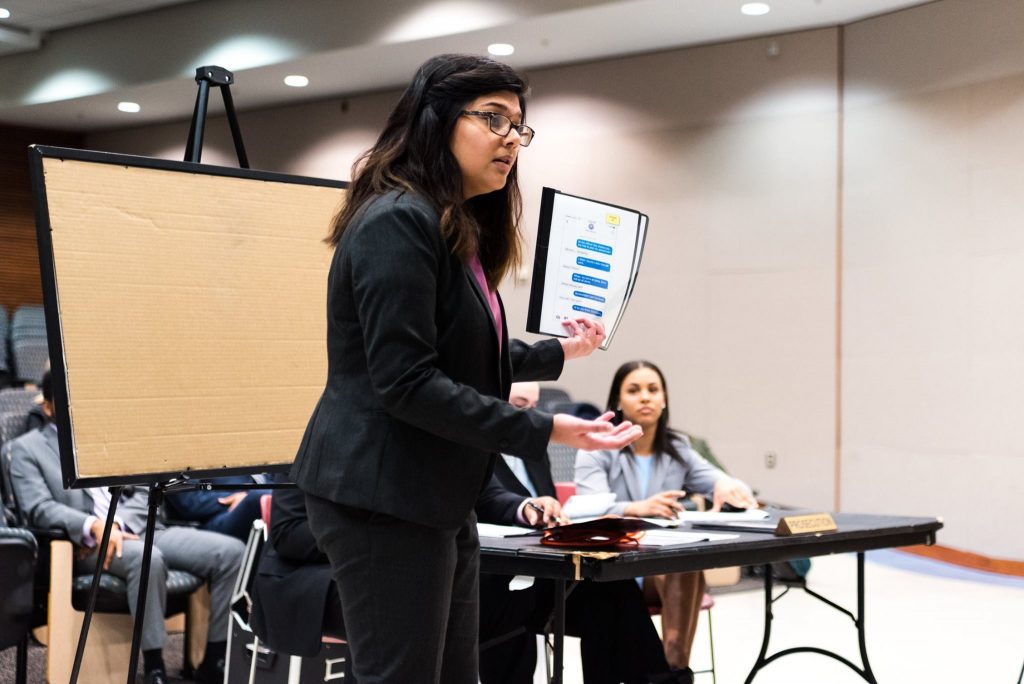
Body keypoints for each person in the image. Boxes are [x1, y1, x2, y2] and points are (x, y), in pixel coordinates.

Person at [289, 53, 642, 684]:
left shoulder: (451, 224)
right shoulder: (398, 220)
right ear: (436, 121)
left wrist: (565, 351)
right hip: (383, 493)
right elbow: (407, 382)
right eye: (493, 119)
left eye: (520, 126)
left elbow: (465, 352)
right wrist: (546, 430)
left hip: (432, 494)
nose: (512, 139)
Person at [8, 371, 245, 684]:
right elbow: (38, 509)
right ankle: (155, 666)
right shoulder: (26, 449)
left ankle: (214, 659)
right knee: (148, 558)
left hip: (141, 527)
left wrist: (118, 524)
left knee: (231, 553)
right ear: (49, 407)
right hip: (84, 545)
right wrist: (94, 526)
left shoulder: (116, 438)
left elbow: (146, 489)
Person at [476, 382, 689, 684]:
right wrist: (528, 508)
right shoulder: (471, 448)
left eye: (535, 408)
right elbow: (492, 500)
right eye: (521, 406)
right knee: (521, 614)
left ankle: (656, 677)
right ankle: (660, 679)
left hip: (540, 573)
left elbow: (549, 513)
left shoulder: (533, 452)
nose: (531, 418)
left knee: (609, 585)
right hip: (493, 579)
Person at [575, 360, 758, 675]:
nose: (645, 397)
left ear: (664, 400)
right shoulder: (595, 448)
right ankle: (670, 675)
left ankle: (673, 666)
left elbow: (722, 480)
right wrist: (635, 508)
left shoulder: (678, 447)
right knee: (670, 569)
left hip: (660, 568)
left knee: (683, 564)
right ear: (618, 401)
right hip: (612, 567)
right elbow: (588, 510)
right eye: (634, 390)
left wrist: (729, 486)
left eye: (653, 390)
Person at [250, 479, 355, 680]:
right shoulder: (300, 448)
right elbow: (287, 533)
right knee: (382, 603)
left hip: (366, 566)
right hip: (299, 572)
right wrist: (362, 536)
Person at [165, 475, 272, 541]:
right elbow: (191, 502)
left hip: (264, 498)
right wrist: (241, 499)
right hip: (212, 520)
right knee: (259, 499)